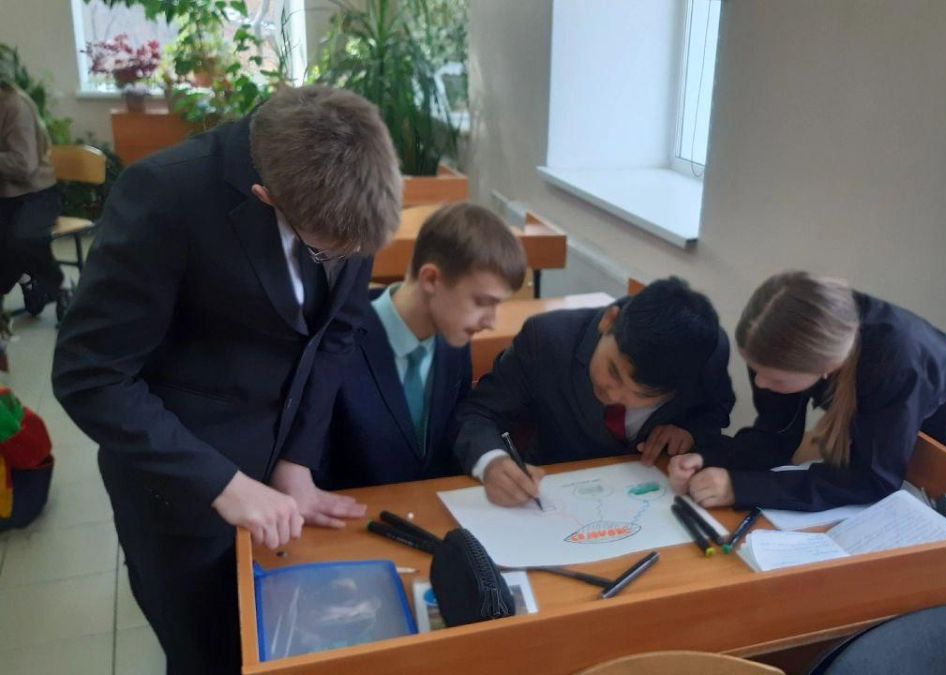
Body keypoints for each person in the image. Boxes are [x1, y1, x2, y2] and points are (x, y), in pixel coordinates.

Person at [52, 85, 403, 674]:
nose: (347, 262)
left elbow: (335, 334)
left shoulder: (352, 190)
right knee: (207, 656)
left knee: (283, 651)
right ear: (266, 199)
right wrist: (223, 483)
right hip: (181, 488)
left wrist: (296, 461)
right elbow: (90, 375)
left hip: (280, 474)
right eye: (327, 253)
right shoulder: (165, 194)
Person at [671, 270, 946, 511]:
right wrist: (709, 457)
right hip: (889, 416)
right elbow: (776, 436)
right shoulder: (776, 348)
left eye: (775, 380)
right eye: (756, 370)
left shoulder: (894, 363)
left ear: (826, 368)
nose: (760, 384)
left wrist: (740, 488)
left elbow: (873, 480)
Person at [456, 277, 735, 507]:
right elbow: (477, 413)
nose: (615, 396)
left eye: (642, 397)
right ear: (609, 321)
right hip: (551, 494)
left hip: (654, 497)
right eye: (613, 371)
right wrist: (491, 462)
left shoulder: (707, 356)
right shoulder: (547, 340)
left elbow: (715, 409)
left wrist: (690, 431)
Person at [317, 202, 526, 489]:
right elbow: (314, 469)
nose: (491, 322)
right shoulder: (338, 339)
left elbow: (452, 433)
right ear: (431, 279)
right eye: (481, 302)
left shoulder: (453, 337)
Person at [0, 68, 69, 320]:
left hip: (36, 193)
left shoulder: (14, 105)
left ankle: (61, 285)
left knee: (23, 239)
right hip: (4, 195)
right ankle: (29, 280)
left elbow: (23, 164)